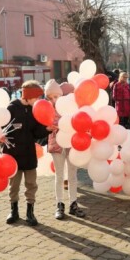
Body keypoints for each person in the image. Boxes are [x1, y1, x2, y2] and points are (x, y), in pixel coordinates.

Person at [4, 80, 53, 226]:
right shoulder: (11, 108)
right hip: (12, 154)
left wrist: (47, 129)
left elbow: (37, 133)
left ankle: (30, 212)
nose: (39, 101)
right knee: (14, 185)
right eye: (37, 97)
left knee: (31, 184)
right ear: (28, 96)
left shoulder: (35, 110)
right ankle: (14, 210)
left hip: (29, 153)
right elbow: (0, 127)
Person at [45, 80, 86, 220]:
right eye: (49, 97)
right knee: (59, 175)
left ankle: (73, 204)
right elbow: (42, 125)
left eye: (55, 96)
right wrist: (48, 128)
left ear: (60, 95)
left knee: (73, 174)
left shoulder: (69, 105)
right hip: (56, 144)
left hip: (71, 143)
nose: (53, 100)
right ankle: (59, 204)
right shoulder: (46, 109)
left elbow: (77, 122)